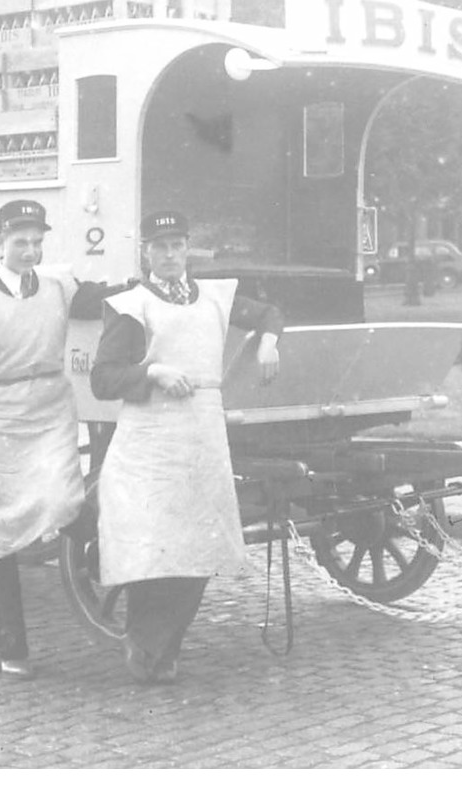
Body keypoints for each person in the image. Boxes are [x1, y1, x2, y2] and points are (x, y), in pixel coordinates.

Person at [89, 209, 282, 684]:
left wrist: (268, 342)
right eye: (160, 247)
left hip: (201, 433)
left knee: (199, 543)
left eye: (177, 245)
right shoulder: (131, 305)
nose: (170, 255)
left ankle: (164, 645)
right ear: (146, 253)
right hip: (151, 438)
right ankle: (145, 644)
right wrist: (152, 372)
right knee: (154, 545)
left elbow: (269, 313)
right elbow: (103, 378)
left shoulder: (214, 297)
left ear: (187, 249)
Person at [0, 199, 120, 680]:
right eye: (20, 242)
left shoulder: (59, 285)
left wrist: (145, 288)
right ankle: (10, 646)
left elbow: (106, 299)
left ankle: (109, 562)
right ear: (0, 242)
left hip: (50, 409)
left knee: (64, 499)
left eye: (37, 241)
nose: (30, 250)